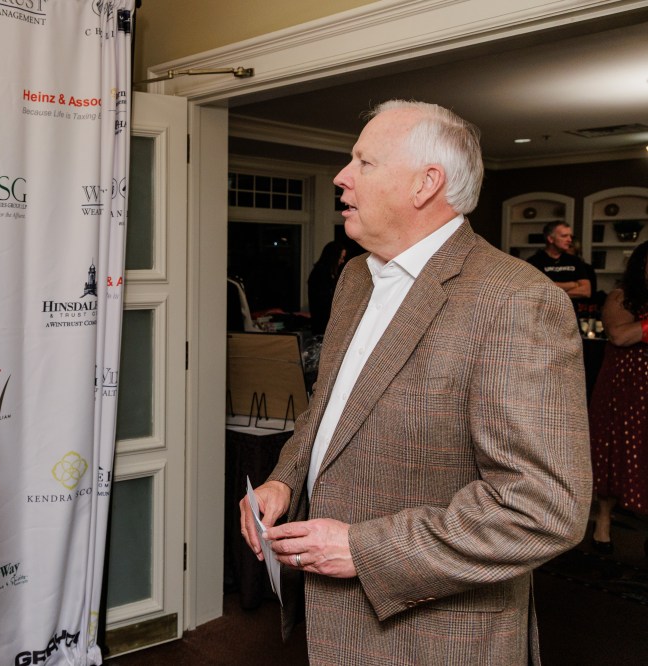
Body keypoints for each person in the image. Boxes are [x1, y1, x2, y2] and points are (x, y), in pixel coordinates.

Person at [239, 100, 591, 664]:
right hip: (339, 626)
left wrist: (364, 549)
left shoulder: (516, 300)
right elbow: (328, 408)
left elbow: (542, 509)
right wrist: (285, 478)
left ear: (426, 183)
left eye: (364, 162)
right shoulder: (356, 277)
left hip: (436, 637)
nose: (342, 177)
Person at [588, 240, 648, 555]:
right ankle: (603, 522)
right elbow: (620, 335)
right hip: (624, 389)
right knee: (615, 452)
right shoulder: (620, 297)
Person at [527, 221, 593, 308]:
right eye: (564, 236)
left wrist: (553, 293)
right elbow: (536, 291)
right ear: (550, 239)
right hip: (543, 312)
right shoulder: (534, 262)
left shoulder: (575, 261)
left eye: (570, 236)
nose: (569, 240)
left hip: (570, 313)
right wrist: (573, 284)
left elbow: (586, 291)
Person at [306, 240, 346, 335]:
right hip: (323, 326)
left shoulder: (328, 274)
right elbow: (324, 303)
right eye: (341, 258)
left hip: (327, 324)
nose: (342, 261)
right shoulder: (320, 274)